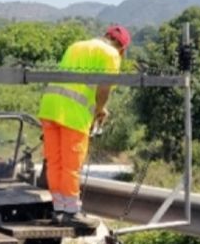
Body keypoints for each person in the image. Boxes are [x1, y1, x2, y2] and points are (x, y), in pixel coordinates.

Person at [37, 25, 131, 227]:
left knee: (54, 162)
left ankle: (59, 209)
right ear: (122, 49)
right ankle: (72, 212)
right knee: (71, 164)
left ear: (105, 35)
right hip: (73, 113)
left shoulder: (76, 46)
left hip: (50, 107)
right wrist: (100, 109)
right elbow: (104, 88)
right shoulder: (111, 54)